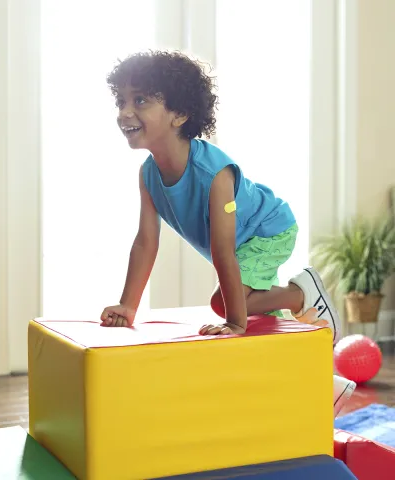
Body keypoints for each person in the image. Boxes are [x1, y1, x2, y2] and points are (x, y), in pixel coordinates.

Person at [99, 50, 355, 412]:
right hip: (240, 244)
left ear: (180, 114)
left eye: (139, 100)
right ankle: (323, 386)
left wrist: (234, 322)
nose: (125, 111)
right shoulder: (149, 174)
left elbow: (223, 249)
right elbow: (145, 242)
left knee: (227, 303)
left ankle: (300, 293)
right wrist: (128, 305)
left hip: (268, 230)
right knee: (265, 323)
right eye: (121, 101)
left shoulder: (214, 172)